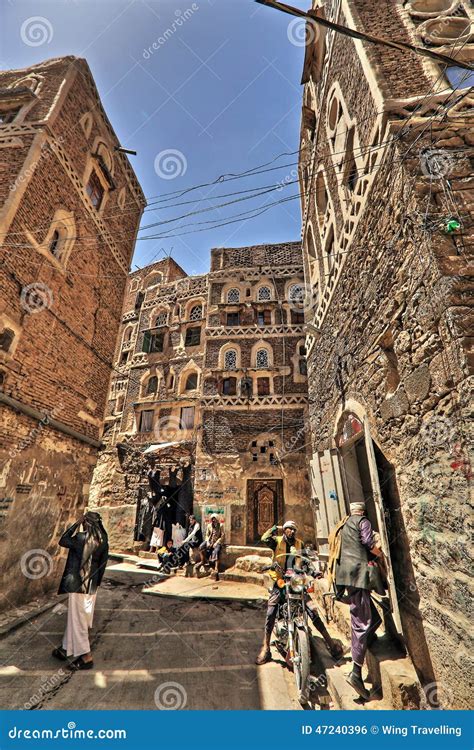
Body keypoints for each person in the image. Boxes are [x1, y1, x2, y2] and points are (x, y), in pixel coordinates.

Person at [255, 520, 344, 666]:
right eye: (288, 529)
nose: (290, 531)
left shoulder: (299, 544)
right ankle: (265, 647)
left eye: (293, 529)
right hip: (280, 581)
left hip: (296, 582)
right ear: (284, 530)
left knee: (312, 610)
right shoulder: (276, 541)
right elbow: (264, 538)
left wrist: (314, 573)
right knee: (271, 611)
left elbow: (305, 562)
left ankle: (330, 643)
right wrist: (274, 528)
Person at [334, 501, 384, 700]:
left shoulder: (345, 525)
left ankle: (363, 645)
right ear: (362, 512)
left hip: (346, 575)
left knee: (375, 620)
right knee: (362, 623)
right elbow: (367, 542)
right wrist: (380, 554)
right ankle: (356, 672)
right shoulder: (363, 522)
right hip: (358, 576)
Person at [52, 511, 109, 670]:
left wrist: (76, 524)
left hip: (79, 585)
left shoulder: (81, 538)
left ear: (86, 523)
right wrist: (96, 584)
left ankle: (86, 657)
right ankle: (65, 648)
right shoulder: (103, 540)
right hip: (91, 586)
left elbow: (63, 540)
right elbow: (103, 565)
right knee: (78, 618)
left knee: (78, 621)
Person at [199, 514, 224, 580]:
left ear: (217, 519)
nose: (213, 520)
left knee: (216, 551)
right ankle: (203, 561)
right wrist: (207, 541)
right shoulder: (209, 525)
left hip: (217, 542)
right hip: (209, 541)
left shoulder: (221, 526)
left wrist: (216, 543)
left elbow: (222, 536)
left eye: (215, 519)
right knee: (201, 547)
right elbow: (207, 535)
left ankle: (216, 568)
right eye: (212, 519)